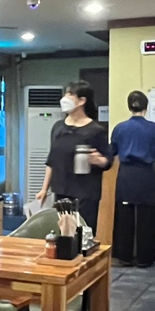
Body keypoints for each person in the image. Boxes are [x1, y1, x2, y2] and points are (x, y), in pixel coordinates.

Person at [34, 80, 110, 231]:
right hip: (61, 190)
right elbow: (51, 160)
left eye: (70, 94)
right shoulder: (58, 127)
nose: (65, 98)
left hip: (86, 193)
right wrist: (44, 189)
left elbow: (107, 160)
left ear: (82, 100)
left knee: (83, 233)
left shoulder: (95, 130)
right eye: (65, 94)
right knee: (63, 233)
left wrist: (98, 160)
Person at [109, 91, 155, 267]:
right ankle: (144, 258)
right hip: (145, 174)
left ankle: (124, 256)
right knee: (146, 217)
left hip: (126, 174)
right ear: (146, 107)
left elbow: (112, 151)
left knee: (124, 216)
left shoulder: (119, 128)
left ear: (129, 107)